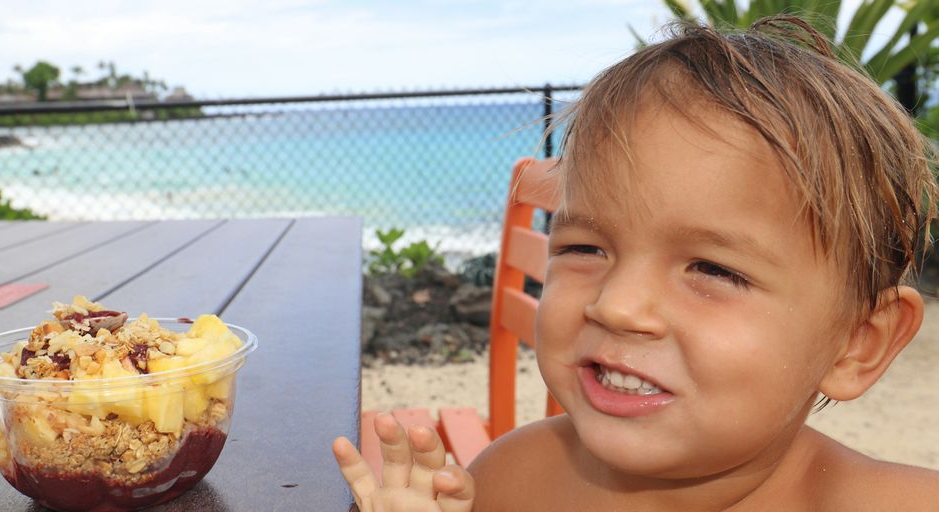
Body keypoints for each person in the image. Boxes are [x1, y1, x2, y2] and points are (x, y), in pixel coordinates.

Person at [333, 15, 939, 511]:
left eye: (713, 270)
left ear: (858, 343)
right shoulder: (513, 483)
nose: (616, 305)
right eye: (584, 249)